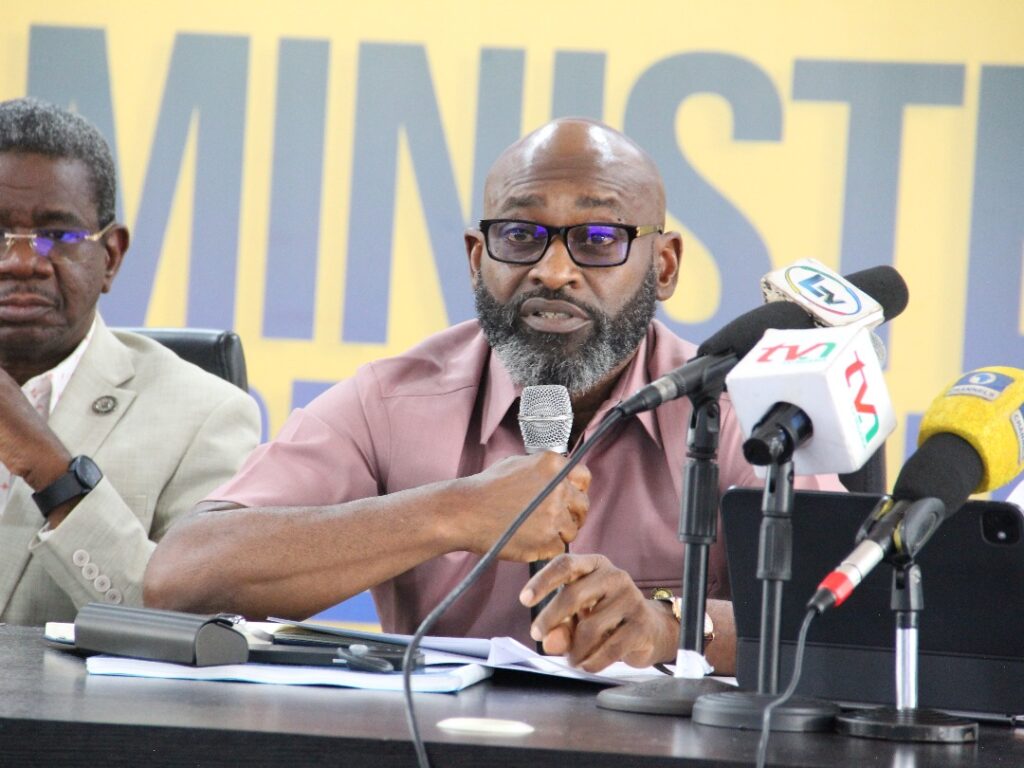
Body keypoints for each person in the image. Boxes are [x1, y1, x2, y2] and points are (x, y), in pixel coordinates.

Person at [145, 117, 841, 674]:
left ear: (663, 266)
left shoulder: (740, 411)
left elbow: (845, 621)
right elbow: (182, 575)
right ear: (479, 259)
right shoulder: (392, 402)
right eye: (520, 235)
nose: (554, 271)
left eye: (599, 238)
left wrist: (670, 625)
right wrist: (451, 512)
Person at [0, 98, 261, 625]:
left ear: (111, 257)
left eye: (58, 236)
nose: (22, 262)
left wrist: (51, 469)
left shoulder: (206, 418)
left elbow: (191, 629)